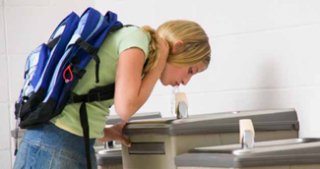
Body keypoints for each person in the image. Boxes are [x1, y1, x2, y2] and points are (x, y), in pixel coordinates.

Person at [13, 19, 211, 169]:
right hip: (54, 149)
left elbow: (83, 97)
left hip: (64, 146)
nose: (185, 81)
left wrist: (107, 132)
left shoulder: (138, 48)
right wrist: (159, 65)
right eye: (190, 71)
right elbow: (125, 108)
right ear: (177, 46)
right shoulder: (137, 40)